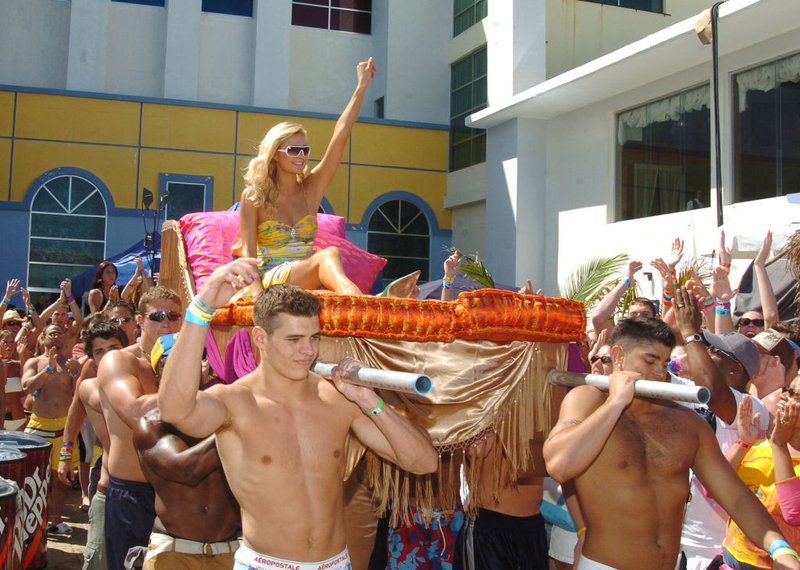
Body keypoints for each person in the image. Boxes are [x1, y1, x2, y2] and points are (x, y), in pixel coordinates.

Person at [158, 258, 439, 570]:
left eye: (314, 337)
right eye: (293, 340)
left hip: (336, 564)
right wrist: (203, 306)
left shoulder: (338, 400)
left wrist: (369, 400)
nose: (308, 351)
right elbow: (174, 410)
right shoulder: (236, 402)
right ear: (261, 338)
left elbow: (423, 462)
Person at [542, 316, 800, 570]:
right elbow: (560, 465)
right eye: (649, 360)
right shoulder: (589, 399)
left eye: (665, 363)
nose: (658, 372)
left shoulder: (686, 422)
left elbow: (736, 498)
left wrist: (779, 548)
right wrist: (616, 402)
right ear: (618, 356)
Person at [233, 58, 377, 298]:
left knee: (326, 258)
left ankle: (360, 302)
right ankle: (360, 302)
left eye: (305, 150)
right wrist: (258, 299)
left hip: (302, 282)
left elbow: (340, 135)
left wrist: (362, 85)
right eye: (293, 150)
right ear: (275, 155)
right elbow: (248, 253)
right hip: (269, 281)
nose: (301, 156)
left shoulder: (311, 189)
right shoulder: (254, 196)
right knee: (329, 254)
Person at [131, 333, 240, 570]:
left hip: (229, 549)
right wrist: (236, 424)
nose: (187, 370)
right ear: (159, 374)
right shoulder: (151, 424)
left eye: (196, 360)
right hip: (173, 551)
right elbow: (186, 470)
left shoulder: (226, 413)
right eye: (175, 364)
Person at [97, 286, 183, 570]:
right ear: (139, 320)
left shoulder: (185, 363)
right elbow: (136, 413)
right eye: (157, 315)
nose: (166, 323)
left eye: (173, 315)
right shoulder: (120, 360)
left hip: (178, 494)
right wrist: (190, 388)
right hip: (134, 494)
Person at [71, 320, 128, 570]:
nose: (107, 356)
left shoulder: (144, 377)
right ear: (91, 358)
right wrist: (64, 453)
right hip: (108, 489)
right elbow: (77, 409)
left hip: (146, 493)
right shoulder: (89, 386)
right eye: (99, 351)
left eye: (113, 348)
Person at [722, 389, 800, 569]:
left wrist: (779, 445)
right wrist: (743, 443)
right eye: (788, 390)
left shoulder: (775, 446)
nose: (786, 397)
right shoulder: (758, 445)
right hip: (730, 561)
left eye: (798, 395)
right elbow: (713, 488)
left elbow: (793, 513)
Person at [453, 429, 548, 570]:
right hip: (490, 530)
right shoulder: (484, 411)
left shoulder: (536, 414)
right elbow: (475, 450)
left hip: (533, 528)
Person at [20, 323, 81, 534]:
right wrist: (48, 369)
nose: (56, 337)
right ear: (43, 338)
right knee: (34, 477)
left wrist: (75, 375)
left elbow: (78, 394)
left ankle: (56, 521)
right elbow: (27, 387)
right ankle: (34, 520)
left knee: (60, 477)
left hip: (63, 427)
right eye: (52, 333)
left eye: (59, 333)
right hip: (39, 425)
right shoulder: (34, 362)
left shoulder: (70, 364)